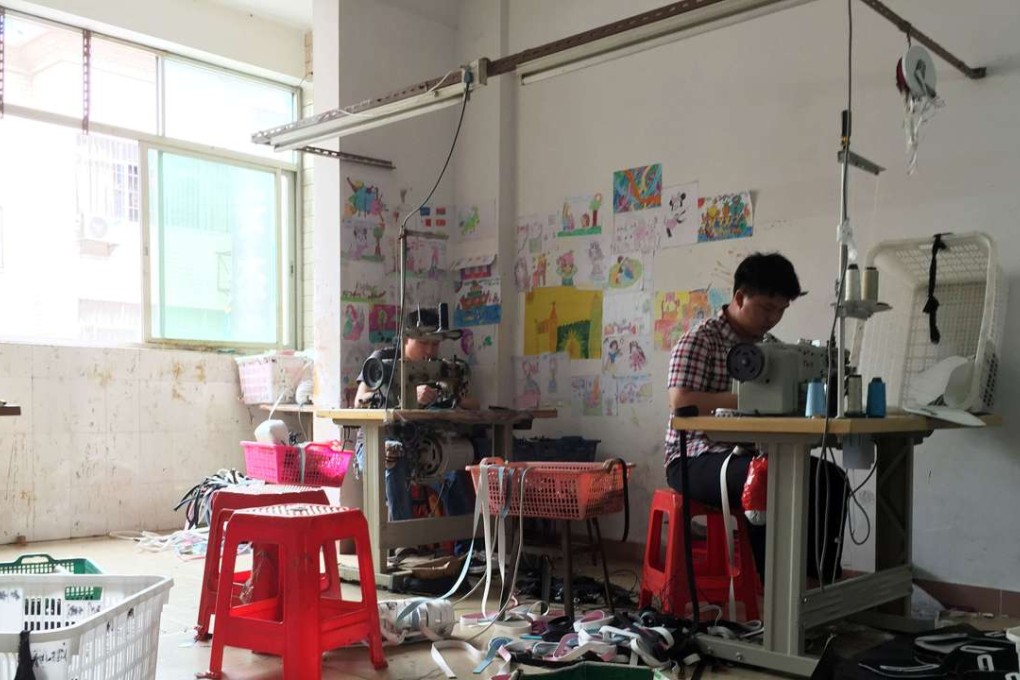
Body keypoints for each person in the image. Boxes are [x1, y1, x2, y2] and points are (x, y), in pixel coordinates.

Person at [664, 252, 848, 583]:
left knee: (830, 480)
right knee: (768, 482)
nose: (773, 318)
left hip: (755, 454)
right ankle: (776, 591)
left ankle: (820, 583)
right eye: (766, 308)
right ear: (739, 297)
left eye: (781, 310)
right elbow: (680, 402)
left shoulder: (773, 350)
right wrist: (758, 397)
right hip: (693, 458)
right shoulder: (701, 340)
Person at [354, 307, 481, 526]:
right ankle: (403, 546)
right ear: (406, 338)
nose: (430, 350)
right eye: (424, 343)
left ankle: (469, 549)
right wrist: (409, 397)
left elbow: (473, 402)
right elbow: (359, 402)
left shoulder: (438, 368)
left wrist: (447, 396)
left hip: (420, 446)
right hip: (375, 442)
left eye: (435, 344)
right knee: (393, 456)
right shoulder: (382, 360)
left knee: (455, 468)